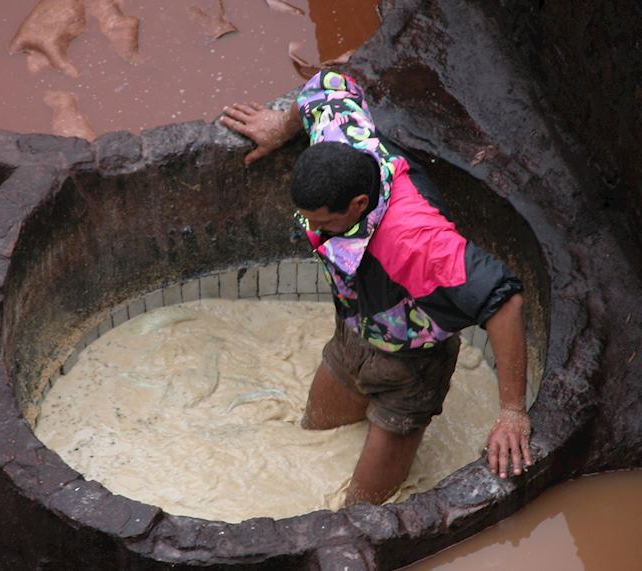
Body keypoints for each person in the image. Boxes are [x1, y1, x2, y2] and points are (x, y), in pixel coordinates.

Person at [220, 71, 533, 505]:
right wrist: (281, 125)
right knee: (311, 435)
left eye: (324, 223)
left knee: (361, 509)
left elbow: (505, 301)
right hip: (355, 331)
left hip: (410, 365)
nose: (312, 231)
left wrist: (512, 412)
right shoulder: (338, 134)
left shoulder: (416, 242)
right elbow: (326, 85)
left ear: (359, 205)